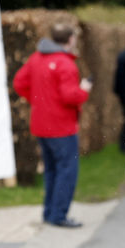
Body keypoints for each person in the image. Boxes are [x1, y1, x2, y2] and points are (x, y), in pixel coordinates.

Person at [13, 23, 91, 228]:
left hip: (41, 126)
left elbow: (19, 83)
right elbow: (70, 96)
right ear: (70, 39)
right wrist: (84, 89)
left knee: (51, 171)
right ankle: (59, 215)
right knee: (67, 170)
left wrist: (38, 100)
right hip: (62, 127)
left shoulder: (36, 58)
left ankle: (49, 213)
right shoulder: (65, 63)